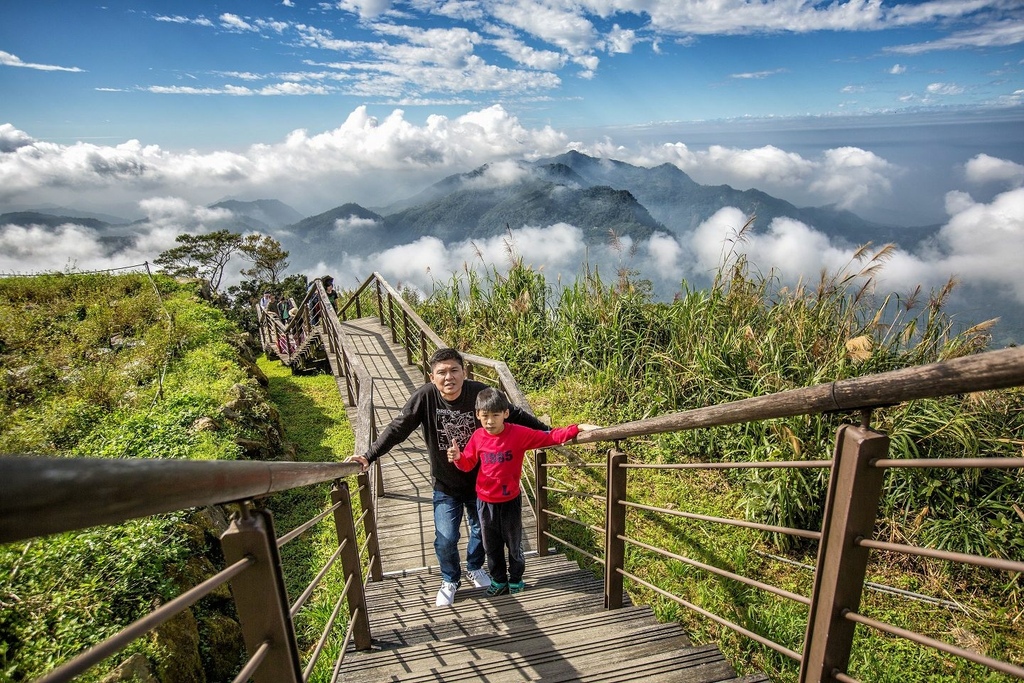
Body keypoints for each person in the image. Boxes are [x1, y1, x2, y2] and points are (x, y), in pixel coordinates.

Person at [347, 348, 552, 607]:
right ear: (431, 377)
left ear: (464, 372)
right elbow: (398, 428)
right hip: (446, 485)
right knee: (446, 538)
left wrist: (548, 432)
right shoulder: (425, 397)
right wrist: (369, 456)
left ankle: (475, 567)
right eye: (441, 372)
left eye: (454, 370)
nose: (449, 377)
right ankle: (450, 579)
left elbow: (515, 414)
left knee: (481, 532)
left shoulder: (479, 393)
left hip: (481, 485)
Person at [448, 388, 593, 596]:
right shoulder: (478, 436)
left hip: (510, 501)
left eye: (495, 415)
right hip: (485, 502)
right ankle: (499, 580)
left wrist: (576, 428)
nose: (490, 421)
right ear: (477, 415)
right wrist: (458, 458)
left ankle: (516, 579)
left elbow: (549, 437)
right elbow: (468, 463)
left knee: (514, 544)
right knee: (491, 546)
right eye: (485, 416)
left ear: (506, 413)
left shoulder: (518, 433)